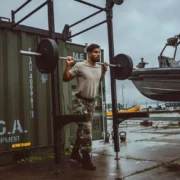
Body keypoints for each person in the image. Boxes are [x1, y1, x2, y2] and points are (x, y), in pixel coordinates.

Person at [63, 44, 108, 170]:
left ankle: (74, 153)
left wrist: (104, 71)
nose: (98, 54)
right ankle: (86, 159)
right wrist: (68, 65)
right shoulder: (80, 66)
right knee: (87, 128)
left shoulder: (99, 68)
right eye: (95, 52)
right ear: (88, 53)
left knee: (82, 130)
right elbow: (65, 78)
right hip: (79, 101)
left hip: (91, 103)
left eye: (99, 52)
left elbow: (99, 79)